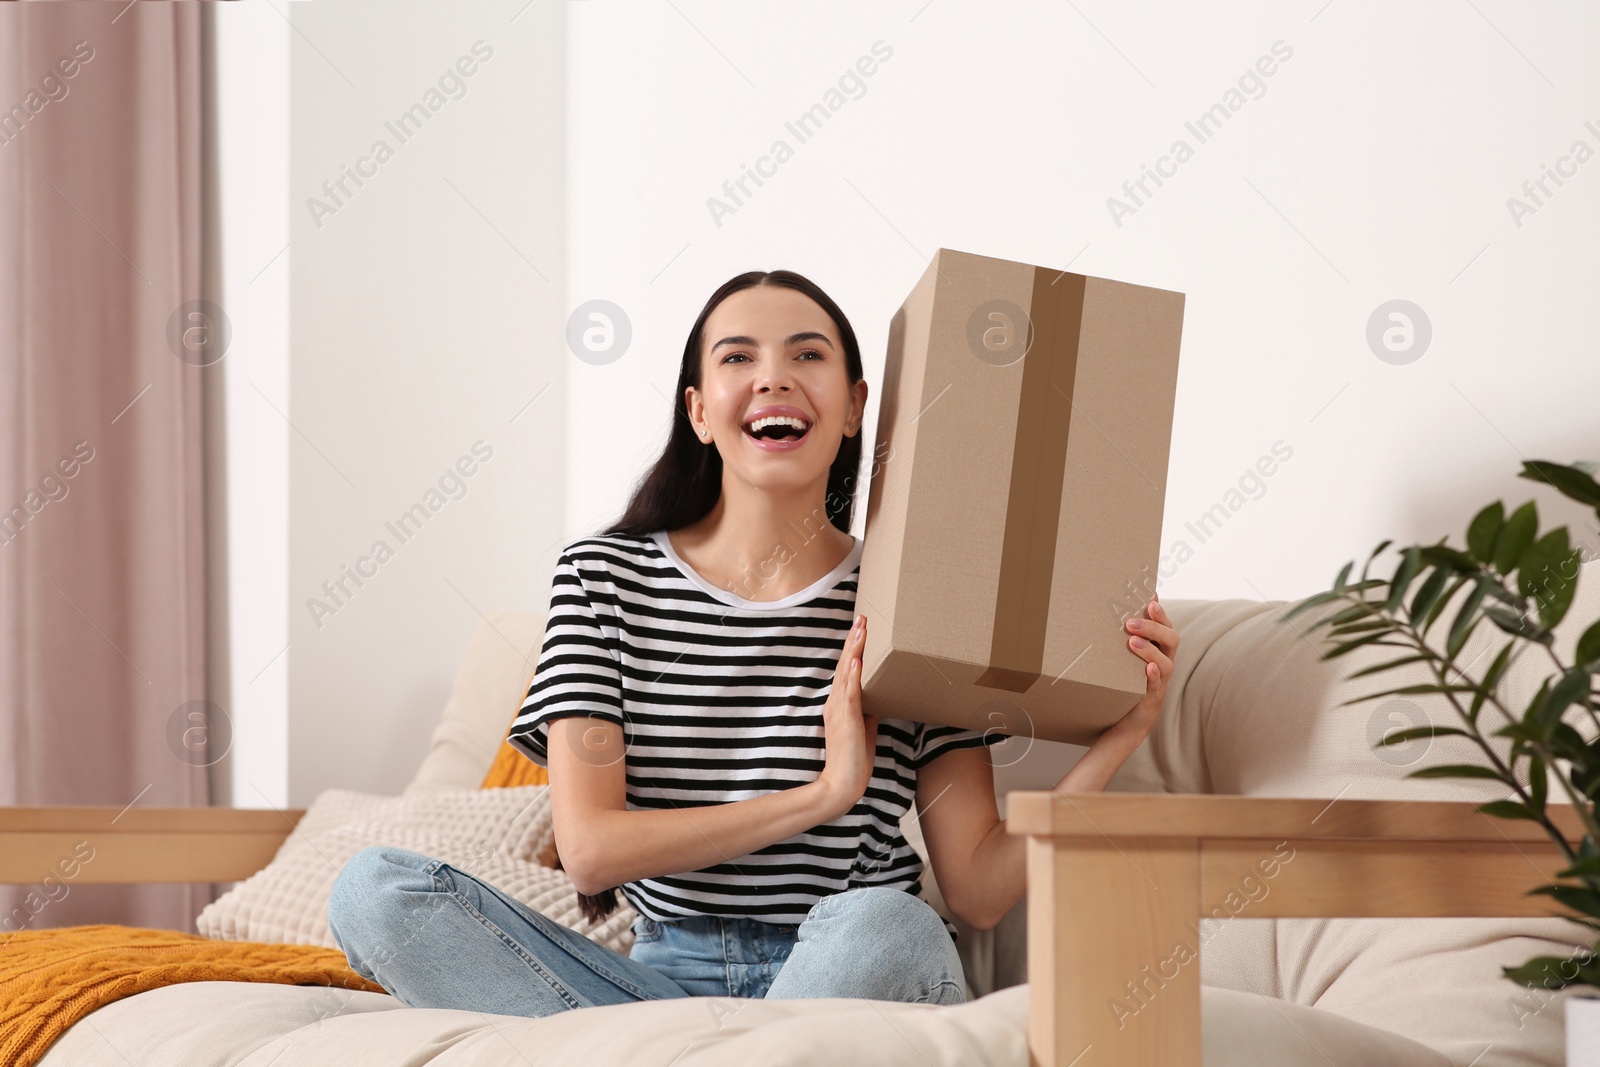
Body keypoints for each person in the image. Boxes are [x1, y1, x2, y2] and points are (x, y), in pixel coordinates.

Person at [326, 268, 1180, 1017]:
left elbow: (981, 889)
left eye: (808, 355)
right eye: (738, 357)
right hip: (657, 988)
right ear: (699, 411)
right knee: (375, 891)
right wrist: (822, 792)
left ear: (854, 407)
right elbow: (590, 847)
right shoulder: (602, 579)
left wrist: (1119, 735)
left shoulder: (915, 600)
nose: (773, 376)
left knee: (882, 919)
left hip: (851, 968)